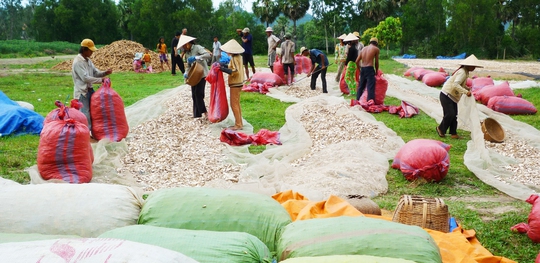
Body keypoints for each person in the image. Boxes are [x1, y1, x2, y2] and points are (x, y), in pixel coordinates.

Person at [437, 54, 482, 139]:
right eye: (473, 66)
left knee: (454, 115)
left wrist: (467, 88)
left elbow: (460, 84)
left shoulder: (465, 72)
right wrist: (465, 92)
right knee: (450, 114)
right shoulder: (462, 72)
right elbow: (455, 84)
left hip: (452, 96)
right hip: (447, 95)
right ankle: (440, 128)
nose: (474, 68)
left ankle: (453, 133)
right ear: (468, 65)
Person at [71, 38, 112, 132]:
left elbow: (95, 72)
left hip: (90, 90)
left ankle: (94, 132)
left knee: (94, 111)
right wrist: (101, 80)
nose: (92, 53)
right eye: (90, 51)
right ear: (84, 49)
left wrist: (105, 73)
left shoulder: (88, 61)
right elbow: (85, 78)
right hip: (82, 92)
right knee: (85, 114)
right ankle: (86, 134)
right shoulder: (78, 62)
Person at [179, 34, 211, 119]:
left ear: (188, 44)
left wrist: (197, 57)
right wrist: (186, 73)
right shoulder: (187, 53)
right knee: (194, 94)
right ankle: (197, 115)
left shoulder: (197, 47)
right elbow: (188, 66)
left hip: (202, 74)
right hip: (194, 75)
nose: (183, 48)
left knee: (199, 93)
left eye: (184, 46)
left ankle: (205, 112)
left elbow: (208, 55)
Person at [220, 39, 245, 130]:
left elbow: (235, 71)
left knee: (233, 104)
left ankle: (238, 124)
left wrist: (223, 69)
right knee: (237, 104)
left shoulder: (234, 58)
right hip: (239, 82)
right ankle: (239, 122)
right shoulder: (239, 57)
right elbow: (233, 67)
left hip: (235, 83)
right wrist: (224, 66)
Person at [355, 37, 380, 101]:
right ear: (376, 43)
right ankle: (370, 102)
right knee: (370, 86)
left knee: (361, 86)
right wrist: (377, 71)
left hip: (363, 68)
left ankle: (358, 100)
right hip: (369, 69)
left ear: (370, 42)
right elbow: (376, 62)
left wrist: (359, 69)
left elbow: (357, 61)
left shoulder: (363, 49)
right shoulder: (376, 49)